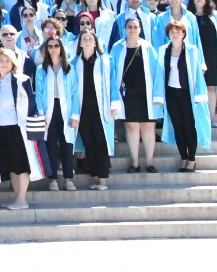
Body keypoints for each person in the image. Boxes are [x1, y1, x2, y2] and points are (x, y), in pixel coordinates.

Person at [0, 48, 44, 209]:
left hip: (17, 128)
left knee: (20, 165)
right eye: (1, 60)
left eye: (7, 61)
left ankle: (22, 199)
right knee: (10, 165)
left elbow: (31, 104)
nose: (3, 64)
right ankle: (17, 198)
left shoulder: (21, 80)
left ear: (13, 63)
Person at [109, 14, 163, 174]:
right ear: (124, 29)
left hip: (146, 93)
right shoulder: (117, 48)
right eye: (129, 27)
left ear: (140, 29)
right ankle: (134, 163)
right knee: (131, 126)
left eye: (135, 27)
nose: (132, 29)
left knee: (148, 126)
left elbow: (158, 72)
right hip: (126, 94)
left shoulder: (147, 47)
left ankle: (150, 162)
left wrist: (158, 95)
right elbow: (112, 73)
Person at [158, 19, 212, 172]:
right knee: (177, 126)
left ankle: (192, 159)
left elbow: (197, 74)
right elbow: (159, 74)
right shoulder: (163, 50)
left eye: (178, 31)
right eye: (172, 31)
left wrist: (198, 95)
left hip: (187, 93)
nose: (175, 34)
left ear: (183, 34)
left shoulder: (191, 50)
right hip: (171, 93)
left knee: (189, 126)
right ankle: (183, 157)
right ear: (168, 34)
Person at [72, 26, 114, 191]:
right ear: (80, 44)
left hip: (100, 108)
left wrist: (114, 104)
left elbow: (112, 83)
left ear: (96, 42)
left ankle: (103, 178)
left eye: (90, 39)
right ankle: (95, 176)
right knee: (89, 143)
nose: (88, 42)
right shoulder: (74, 63)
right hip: (83, 109)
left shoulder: (105, 60)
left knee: (100, 142)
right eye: (84, 40)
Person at [34, 32, 78, 191]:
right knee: (50, 144)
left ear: (61, 48)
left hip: (65, 109)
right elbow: (38, 93)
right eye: (50, 46)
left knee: (67, 144)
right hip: (48, 111)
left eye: (56, 46)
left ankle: (68, 178)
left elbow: (74, 92)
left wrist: (75, 115)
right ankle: (52, 179)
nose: (53, 49)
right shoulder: (41, 69)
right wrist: (40, 114)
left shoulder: (69, 68)